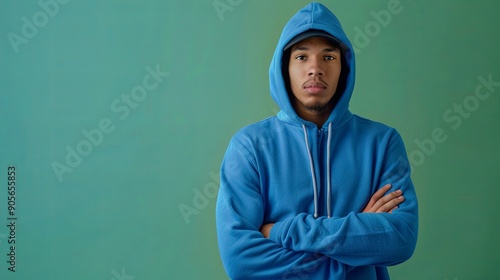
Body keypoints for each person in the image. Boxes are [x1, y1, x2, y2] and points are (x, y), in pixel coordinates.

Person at [216, 2, 418, 279]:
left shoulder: (382, 143)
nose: (315, 69)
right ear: (283, 67)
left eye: (328, 57)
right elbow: (241, 263)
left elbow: (400, 239)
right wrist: (358, 244)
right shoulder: (249, 147)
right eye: (301, 57)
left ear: (343, 67)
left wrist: (281, 230)